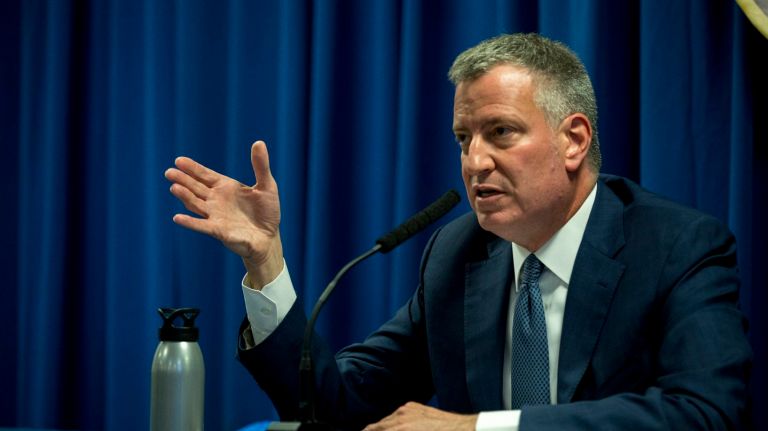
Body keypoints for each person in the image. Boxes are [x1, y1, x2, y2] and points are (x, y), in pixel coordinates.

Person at [164, 33, 752, 430]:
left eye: (500, 133)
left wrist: (478, 429)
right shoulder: (459, 252)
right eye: (463, 139)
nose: (474, 163)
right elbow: (337, 407)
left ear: (574, 139)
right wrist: (267, 261)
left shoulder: (677, 246)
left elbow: (707, 412)